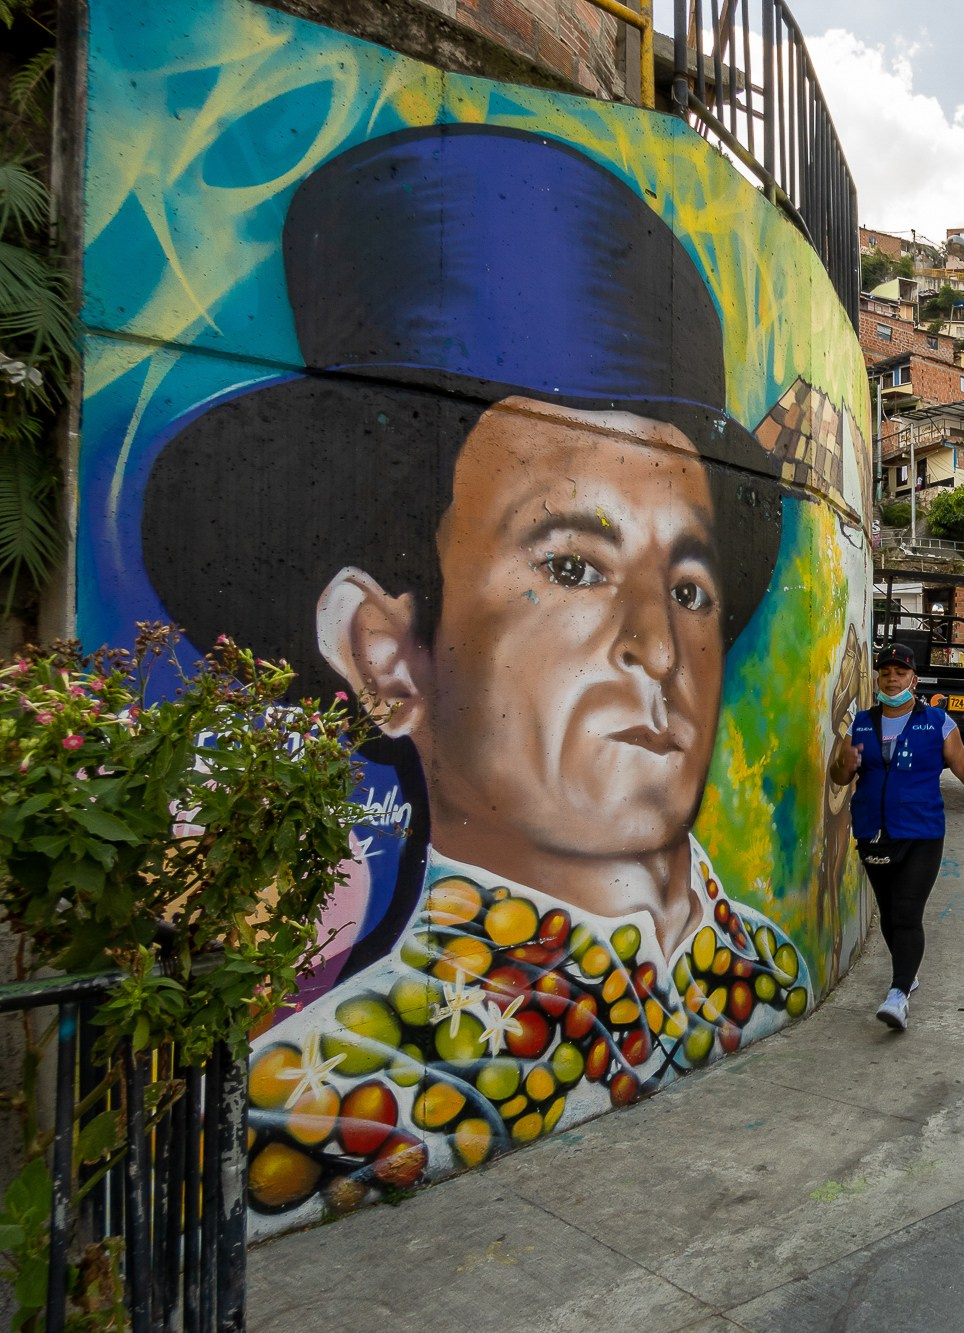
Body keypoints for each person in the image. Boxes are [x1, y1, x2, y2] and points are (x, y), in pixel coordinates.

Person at [139, 126, 844, 1227]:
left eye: (689, 585)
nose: (657, 649)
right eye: (572, 566)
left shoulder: (771, 975)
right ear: (387, 655)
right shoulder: (313, 1119)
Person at [831, 643, 964, 1032]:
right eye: (886, 672)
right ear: (878, 679)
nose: (892, 679)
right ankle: (907, 971)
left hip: (922, 832)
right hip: (873, 831)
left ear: (914, 679)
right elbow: (839, 777)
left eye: (901, 672)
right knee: (891, 913)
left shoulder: (938, 722)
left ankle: (898, 994)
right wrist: (845, 763)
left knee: (907, 912)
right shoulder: (860, 722)